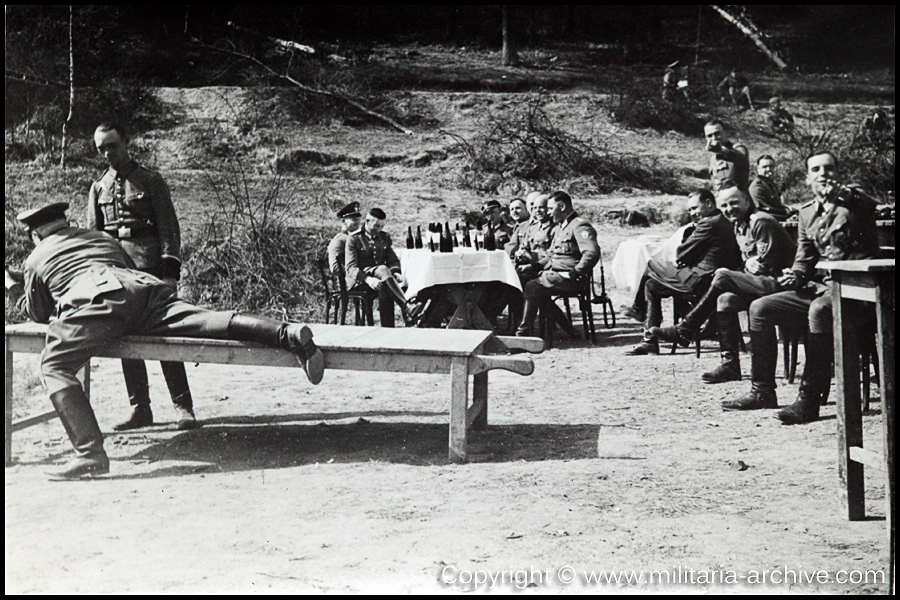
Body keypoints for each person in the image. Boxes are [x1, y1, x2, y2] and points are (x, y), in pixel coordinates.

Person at [5, 202, 325, 479]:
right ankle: (286, 333)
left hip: (94, 303)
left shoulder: (35, 258)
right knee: (204, 320)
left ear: (36, 234)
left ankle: (89, 454)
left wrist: (11, 287)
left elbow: (38, 312)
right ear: (67, 223)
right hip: (142, 288)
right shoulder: (100, 237)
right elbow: (122, 271)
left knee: (54, 364)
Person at [722, 150, 880, 421]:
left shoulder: (856, 204)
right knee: (760, 308)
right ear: (807, 179)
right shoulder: (807, 214)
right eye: (816, 170)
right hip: (825, 290)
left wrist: (845, 196)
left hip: (860, 291)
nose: (823, 174)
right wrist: (794, 276)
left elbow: (868, 205)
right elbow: (804, 261)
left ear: (839, 174)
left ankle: (808, 401)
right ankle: (762, 390)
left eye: (828, 168)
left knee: (819, 311)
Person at [86, 122, 196, 432]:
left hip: (150, 271)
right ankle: (140, 408)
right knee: (125, 338)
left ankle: (182, 406)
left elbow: (169, 230)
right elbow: (94, 238)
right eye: (102, 149)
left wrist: (170, 273)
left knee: (165, 335)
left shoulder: (150, 180)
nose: (108, 153)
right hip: (117, 275)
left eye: (113, 146)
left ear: (126, 142)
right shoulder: (98, 187)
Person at [650, 184, 795, 382]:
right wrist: (746, 263)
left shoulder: (760, 222)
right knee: (725, 300)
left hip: (781, 283)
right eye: (725, 205)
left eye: (734, 202)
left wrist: (747, 265)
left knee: (722, 277)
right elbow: (747, 261)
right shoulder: (738, 224)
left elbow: (767, 266)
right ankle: (730, 366)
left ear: (747, 200)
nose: (729, 208)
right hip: (762, 282)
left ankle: (685, 329)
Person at [625, 189, 742, 355]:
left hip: (700, 281)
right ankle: (650, 340)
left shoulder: (708, 223)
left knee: (651, 264)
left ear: (709, 204)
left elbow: (682, 252)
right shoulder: (723, 221)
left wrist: (688, 245)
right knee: (651, 285)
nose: (692, 214)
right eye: (690, 210)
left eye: (695, 208)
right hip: (711, 278)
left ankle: (638, 309)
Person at [516, 191, 600, 337]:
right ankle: (569, 330)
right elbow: (551, 256)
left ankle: (523, 331)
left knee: (532, 286)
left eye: (550, 208)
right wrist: (534, 266)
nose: (548, 212)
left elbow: (591, 253)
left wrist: (575, 272)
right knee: (525, 280)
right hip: (555, 276)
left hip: (572, 278)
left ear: (561, 206)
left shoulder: (579, 226)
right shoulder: (562, 227)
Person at [345, 208, 410, 327]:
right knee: (383, 269)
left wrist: (395, 272)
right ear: (367, 221)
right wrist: (368, 279)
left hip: (381, 279)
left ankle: (388, 330)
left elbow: (392, 259)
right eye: (376, 226)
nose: (379, 229)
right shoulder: (354, 238)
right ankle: (407, 307)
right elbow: (350, 268)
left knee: (386, 283)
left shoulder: (384, 237)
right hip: (360, 280)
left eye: (381, 226)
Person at [704, 119, 750, 192]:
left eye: (717, 133)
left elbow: (741, 159)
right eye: (709, 136)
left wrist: (722, 150)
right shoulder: (713, 158)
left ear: (725, 132)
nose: (714, 138)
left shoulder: (738, 148)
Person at [748, 155, 792, 220]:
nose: (768, 169)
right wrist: (786, 212)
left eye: (771, 167)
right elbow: (763, 210)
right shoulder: (757, 187)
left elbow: (776, 206)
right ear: (758, 169)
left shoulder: (770, 184)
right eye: (764, 167)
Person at [327, 201, 362, 276]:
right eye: (354, 220)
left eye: (358, 219)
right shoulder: (339, 241)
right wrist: (358, 271)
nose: (358, 223)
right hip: (352, 282)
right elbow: (335, 268)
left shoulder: (358, 238)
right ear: (343, 221)